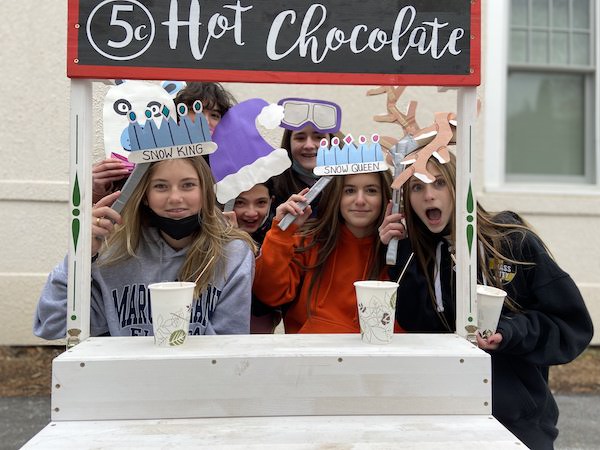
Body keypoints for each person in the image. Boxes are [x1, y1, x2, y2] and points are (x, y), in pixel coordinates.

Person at [378, 151, 594, 449]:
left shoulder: (511, 241)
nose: (429, 195)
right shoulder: (419, 255)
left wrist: (509, 332)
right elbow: (418, 324)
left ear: (458, 186)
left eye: (439, 183)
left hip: (517, 423)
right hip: (447, 419)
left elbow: (570, 327)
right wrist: (398, 254)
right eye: (417, 187)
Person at [34, 156, 256, 339]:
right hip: (127, 385)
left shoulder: (232, 253)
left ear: (206, 192)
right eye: (161, 186)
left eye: (188, 185)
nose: (175, 197)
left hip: (199, 384)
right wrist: (79, 255)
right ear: (146, 196)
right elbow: (52, 323)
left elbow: (231, 343)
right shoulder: (112, 250)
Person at [253, 169, 393, 333]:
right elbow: (269, 294)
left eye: (371, 190)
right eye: (350, 191)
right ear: (337, 196)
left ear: (386, 197)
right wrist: (280, 232)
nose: (360, 200)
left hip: (374, 355)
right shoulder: (307, 242)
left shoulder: (397, 250)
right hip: (310, 353)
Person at [92, 82, 237, 203]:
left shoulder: (230, 168)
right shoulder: (144, 158)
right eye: (194, 110)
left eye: (215, 115)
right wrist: (98, 189)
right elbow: (113, 214)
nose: (205, 121)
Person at [271, 98, 343, 210]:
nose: (309, 145)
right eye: (300, 138)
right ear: (288, 143)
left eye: (319, 137)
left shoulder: (350, 181)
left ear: (331, 142)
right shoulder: (271, 186)